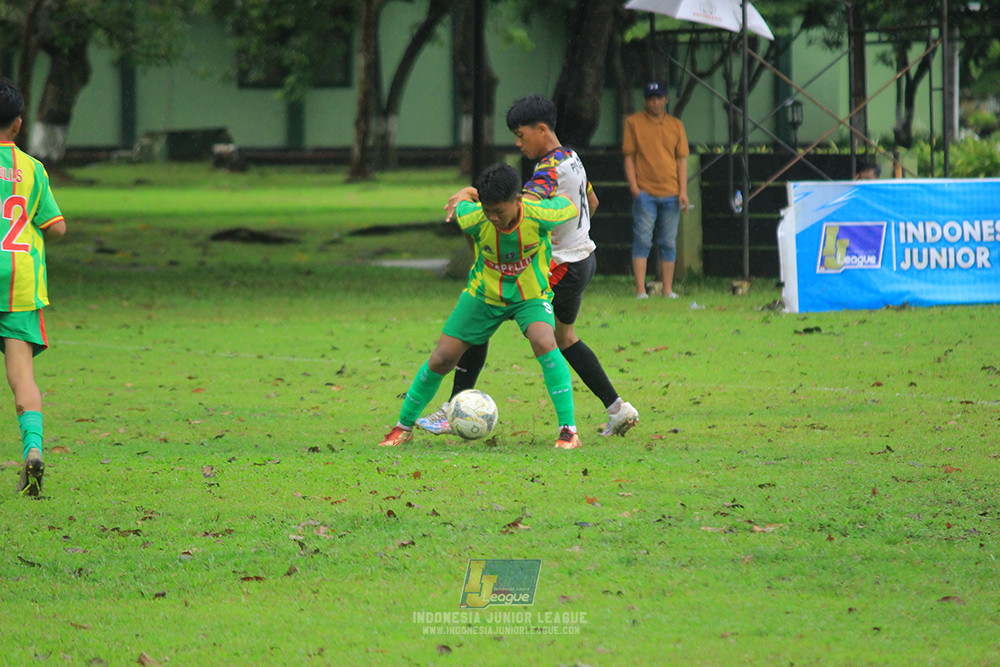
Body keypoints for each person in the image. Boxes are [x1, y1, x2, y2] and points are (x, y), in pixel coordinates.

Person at [414, 94, 639, 438]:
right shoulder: (572, 158)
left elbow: (517, 208)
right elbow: (591, 202)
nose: (517, 143)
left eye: (521, 135)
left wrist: (472, 194)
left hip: (561, 265)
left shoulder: (548, 169)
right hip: (584, 259)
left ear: (542, 129)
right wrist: (572, 236)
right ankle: (618, 408)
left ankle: (451, 408)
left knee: (483, 316)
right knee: (565, 338)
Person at [379, 162, 583, 450]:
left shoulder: (540, 216)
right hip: (483, 296)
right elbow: (462, 205)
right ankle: (403, 427)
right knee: (441, 358)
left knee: (544, 342)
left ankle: (568, 430)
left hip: (530, 296)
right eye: (488, 211)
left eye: (499, 211)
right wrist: (465, 192)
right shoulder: (474, 218)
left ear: (517, 200)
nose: (493, 218)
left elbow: (570, 205)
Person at [0, 79, 67, 497]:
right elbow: (56, 226)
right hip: (20, 282)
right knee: (22, 375)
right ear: (19, 124)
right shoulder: (33, 169)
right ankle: (34, 449)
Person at [623, 82, 690, 299]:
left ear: (666, 99)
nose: (656, 102)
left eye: (659, 97)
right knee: (642, 239)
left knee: (668, 242)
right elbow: (629, 157)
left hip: (671, 192)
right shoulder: (633, 123)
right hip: (646, 193)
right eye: (651, 98)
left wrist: (683, 191)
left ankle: (668, 289)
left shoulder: (676, 125)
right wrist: (635, 188)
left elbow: (681, 159)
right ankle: (641, 289)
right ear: (645, 100)